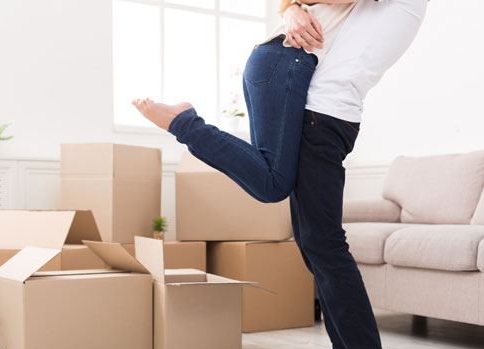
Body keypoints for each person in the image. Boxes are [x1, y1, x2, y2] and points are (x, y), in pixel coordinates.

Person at [134, 0, 428, 349]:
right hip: (318, 110)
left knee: (321, 241)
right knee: (313, 243)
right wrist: (291, 9)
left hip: (325, 116)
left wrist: (293, 8)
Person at [132, 0, 358, 204]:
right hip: (285, 61)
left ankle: (185, 124)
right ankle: (185, 124)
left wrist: (292, 7)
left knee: (271, 177)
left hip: (276, 63)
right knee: (274, 185)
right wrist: (292, 7)